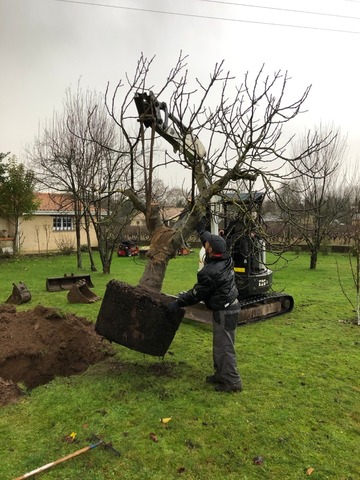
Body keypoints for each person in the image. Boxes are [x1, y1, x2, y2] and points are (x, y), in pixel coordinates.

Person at [168, 231, 243, 393]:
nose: (204, 244)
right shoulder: (226, 258)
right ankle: (220, 375)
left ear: (210, 250)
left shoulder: (210, 272)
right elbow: (209, 240)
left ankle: (233, 382)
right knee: (219, 345)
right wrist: (201, 227)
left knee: (225, 347)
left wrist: (179, 302)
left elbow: (197, 294)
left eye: (206, 244)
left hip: (225, 310)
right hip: (228, 307)